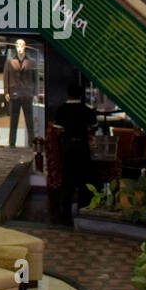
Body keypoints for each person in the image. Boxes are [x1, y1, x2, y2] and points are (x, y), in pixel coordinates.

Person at [53, 84, 97, 225]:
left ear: (68, 93)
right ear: (81, 94)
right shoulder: (86, 110)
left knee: (68, 179)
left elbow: (57, 130)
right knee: (84, 178)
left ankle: (65, 212)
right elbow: (94, 125)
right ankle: (83, 209)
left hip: (67, 148)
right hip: (82, 147)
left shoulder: (61, 110)